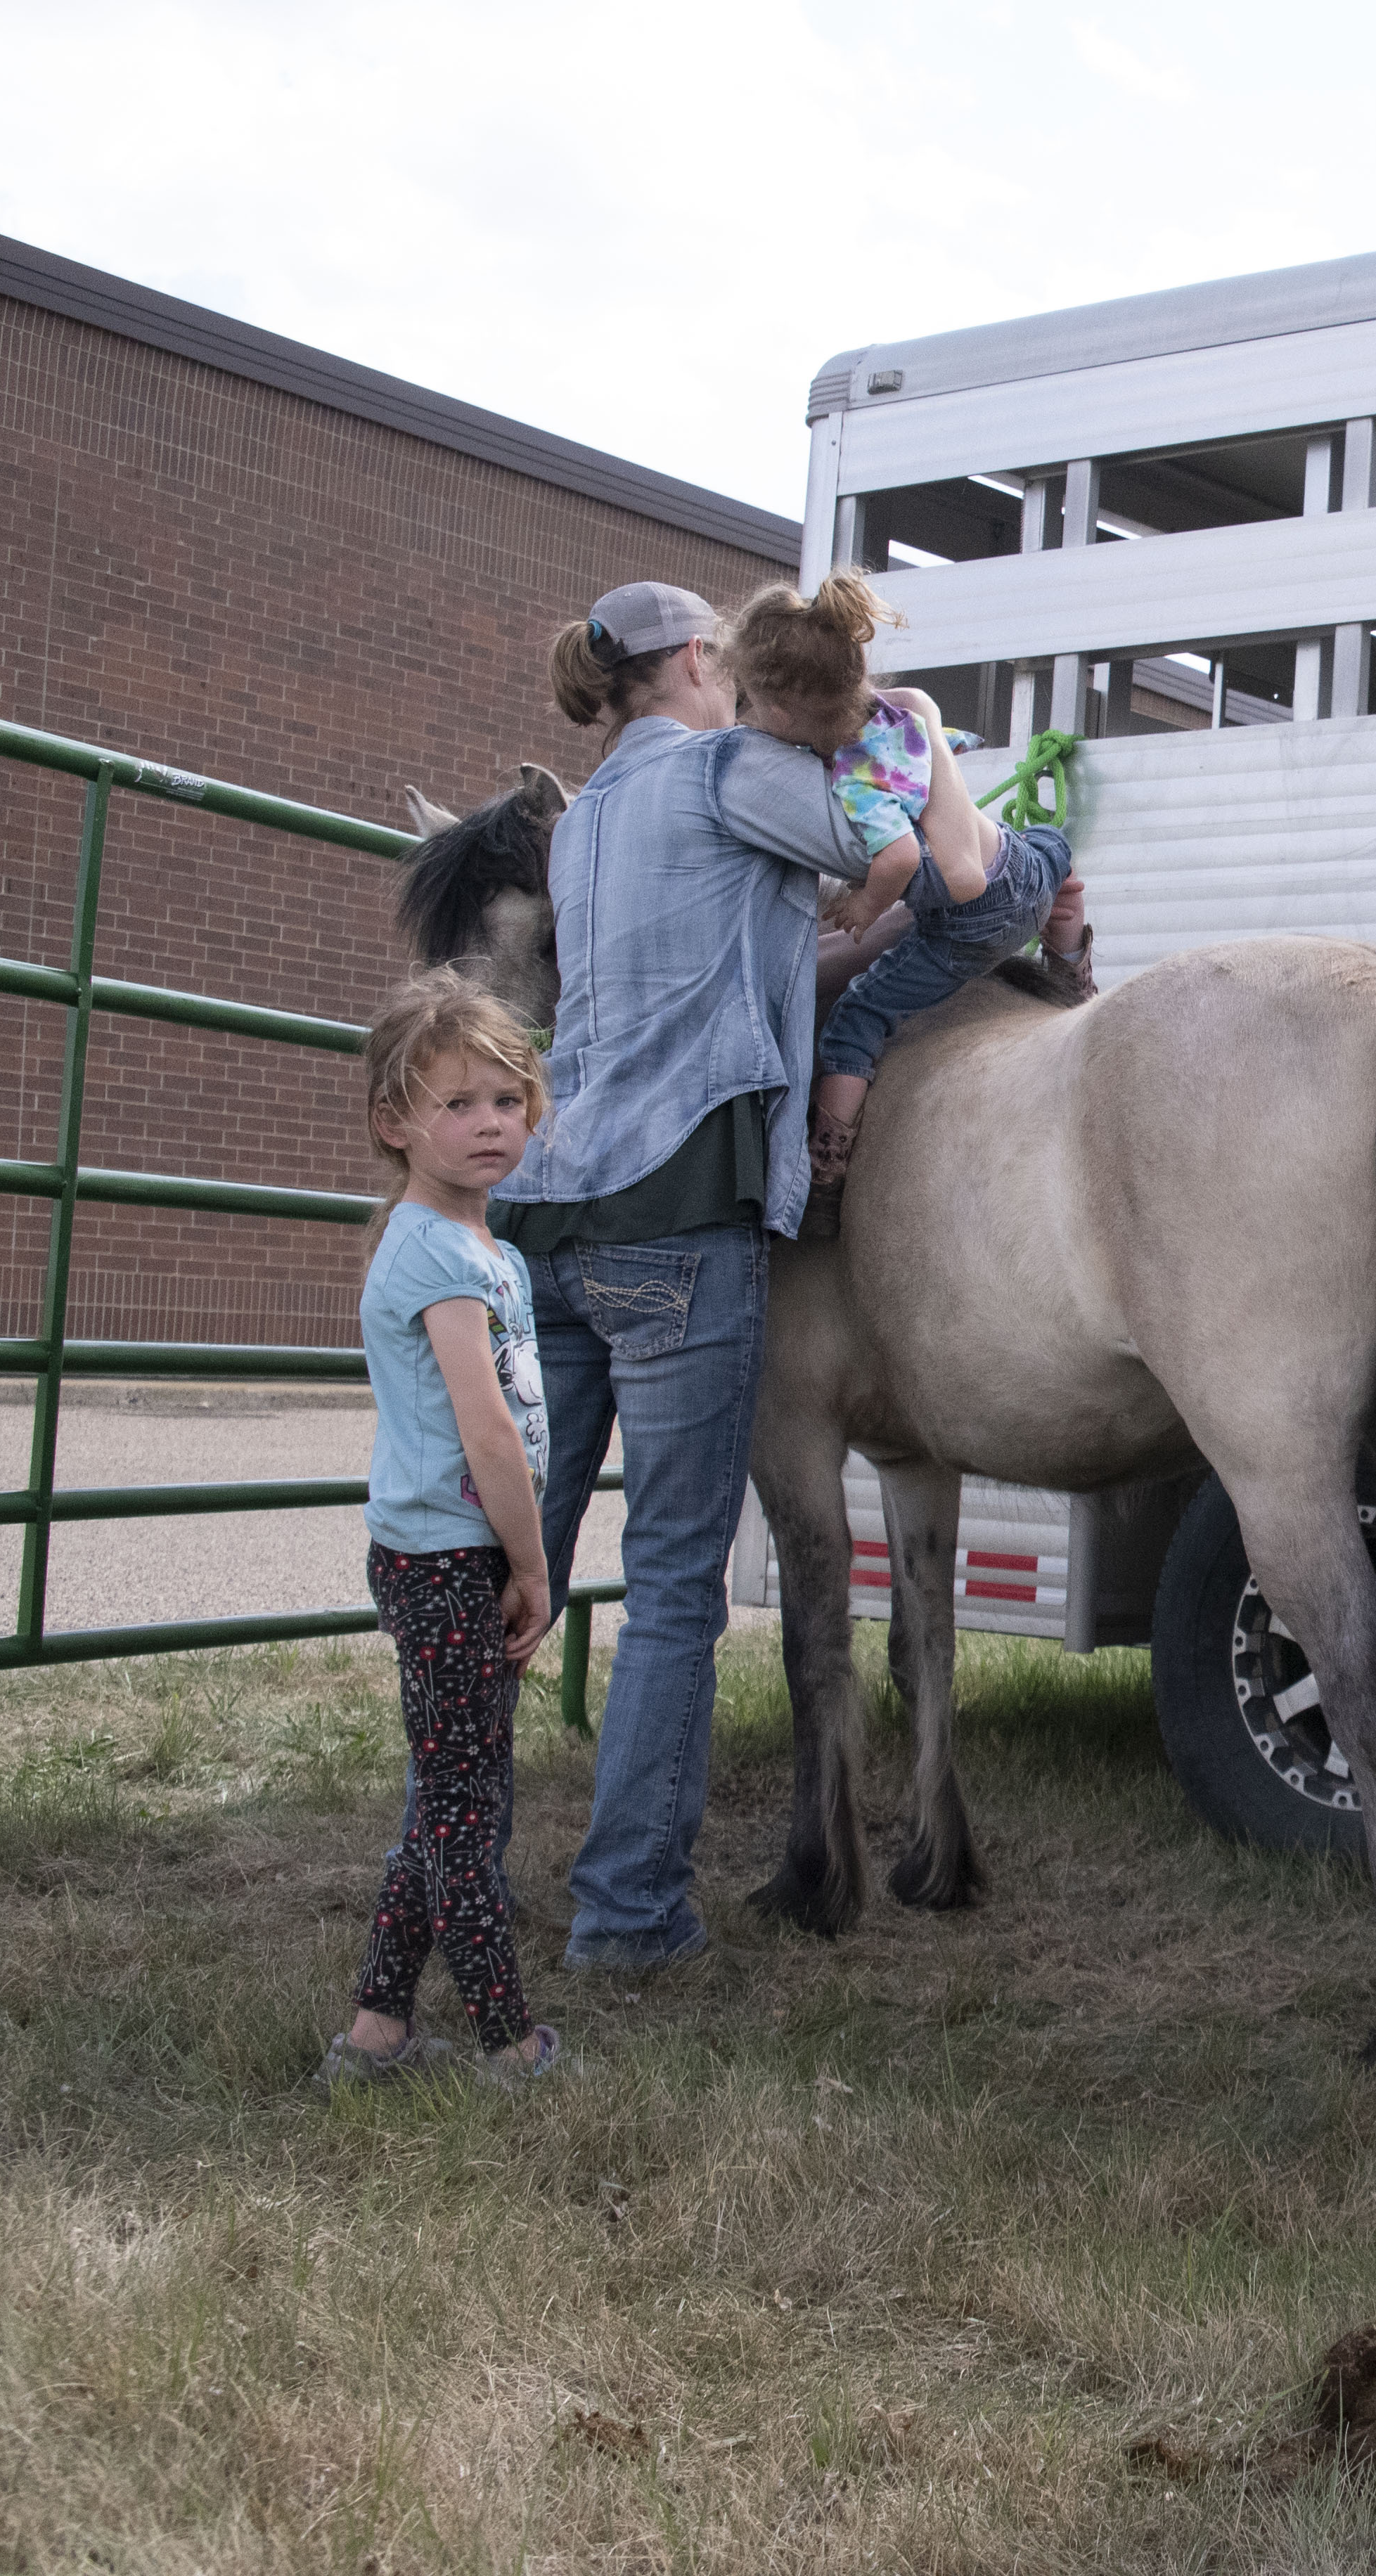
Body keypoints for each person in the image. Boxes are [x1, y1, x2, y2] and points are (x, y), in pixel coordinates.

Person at [496, 579, 878, 1972]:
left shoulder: (584, 818)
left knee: (505, 1561)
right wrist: (892, 725)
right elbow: (871, 838)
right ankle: (629, 1914)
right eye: (719, 662)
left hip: (551, 1222)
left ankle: (450, 1867)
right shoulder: (726, 771)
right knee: (669, 1584)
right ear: (690, 667)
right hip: (673, 1218)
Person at [328, 971, 569, 2089]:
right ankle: (509, 2047)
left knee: (451, 1792)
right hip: (445, 1566)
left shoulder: (491, 1254)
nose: (488, 1124)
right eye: (459, 1104)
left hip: (466, 1563)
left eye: (506, 1101)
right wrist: (529, 1561)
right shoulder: (431, 1252)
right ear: (397, 1124)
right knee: (468, 1820)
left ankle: (378, 2030)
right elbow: (488, 1433)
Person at [716, 576, 1073, 1199]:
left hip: (969, 922)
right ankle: (1070, 962)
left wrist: (864, 904)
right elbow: (921, 722)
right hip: (1027, 871)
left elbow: (904, 856)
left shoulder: (856, 775)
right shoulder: (900, 709)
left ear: (775, 712)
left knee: (857, 1016)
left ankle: (825, 1169)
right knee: (1056, 847)